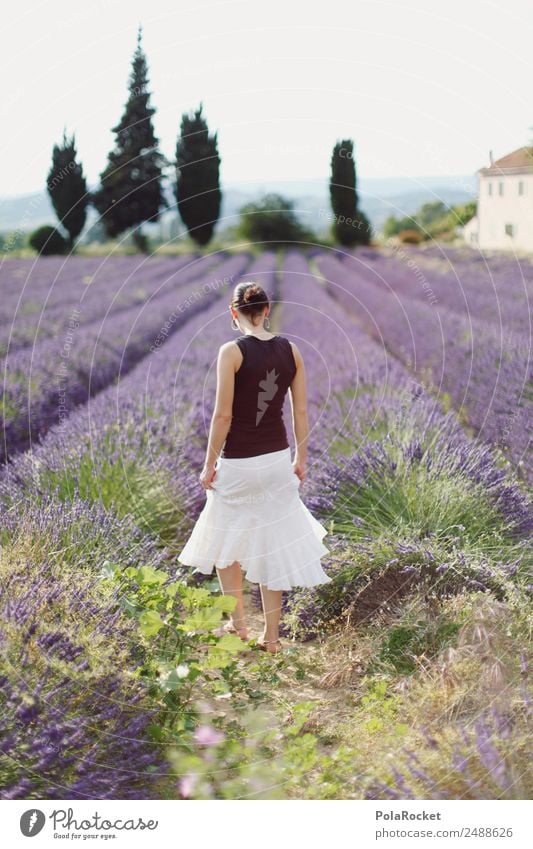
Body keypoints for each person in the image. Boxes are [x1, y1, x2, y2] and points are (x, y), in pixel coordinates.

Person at [177, 281, 331, 653]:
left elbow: (223, 415)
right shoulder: (291, 351)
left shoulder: (231, 352)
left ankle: (239, 624)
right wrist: (301, 458)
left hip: (239, 463)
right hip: (277, 459)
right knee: (272, 543)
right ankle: (272, 638)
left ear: (234, 313)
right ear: (267, 310)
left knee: (227, 538)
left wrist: (208, 464)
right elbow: (301, 411)